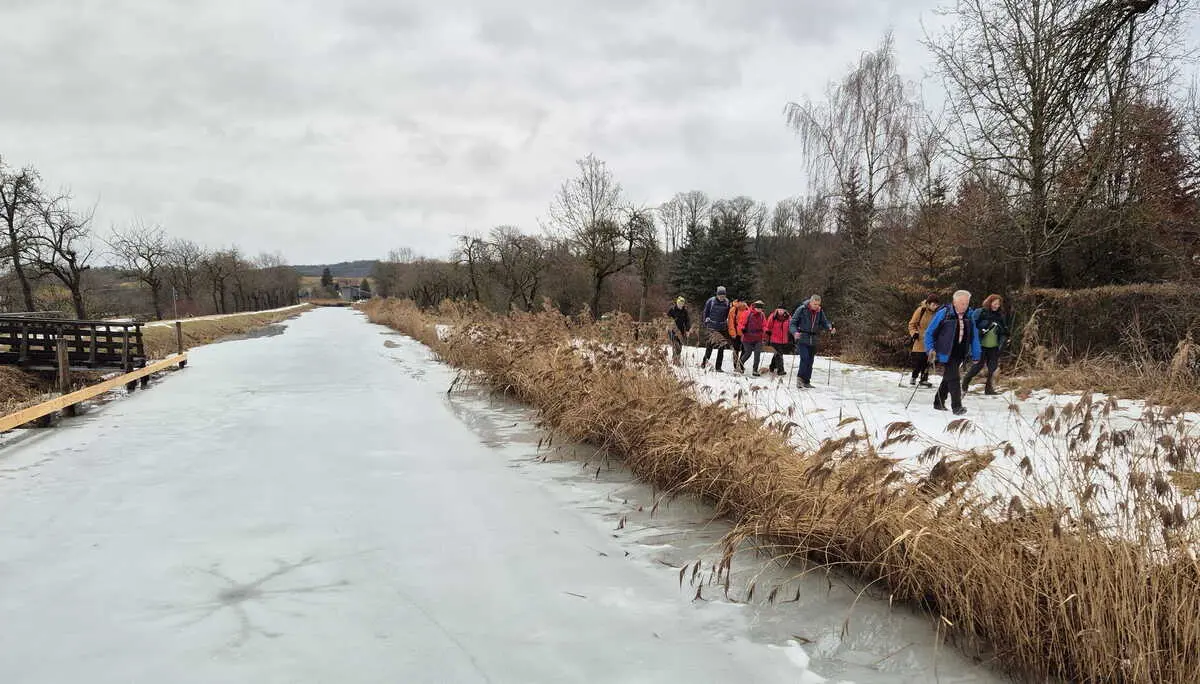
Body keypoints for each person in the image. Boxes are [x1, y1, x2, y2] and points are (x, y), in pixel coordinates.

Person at [924, 290, 982, 415]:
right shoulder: (944, 313)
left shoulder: (970, 315)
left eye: (966, 303)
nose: (964, 306)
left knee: (948, 377)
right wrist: (930, 349)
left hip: (960, 352)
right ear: (954, 302)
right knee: (954, 377)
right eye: (962, 303)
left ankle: (938, 401)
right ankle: (957, 407)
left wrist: (976, 354)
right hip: (945, 351)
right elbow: (929, 333)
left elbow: (974, 337)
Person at [963, 294, 1008, 395]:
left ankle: (989, 389)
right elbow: (972, 326)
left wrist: (1003, 337)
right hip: (981, 345)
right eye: (994, 303)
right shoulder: (980, 312)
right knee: (977, 366)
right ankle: (966, 381)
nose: (996, 306)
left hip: (994, 346)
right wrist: (983, 328)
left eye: (998, 304)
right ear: (989, 302)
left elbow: (1004, 330)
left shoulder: (1000, 315)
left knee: (992, 368)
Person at [789, 294, 835, 389]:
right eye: (815, 304)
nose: (816, 306)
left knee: (810, 360)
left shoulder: (820, 311)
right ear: (810, 302)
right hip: (802, 337)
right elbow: (792, 323)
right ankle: (800, 379)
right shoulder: (802, 309)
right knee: (805, 358)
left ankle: (806, 381)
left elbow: (825, 322)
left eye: (818, 304)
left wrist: (830, 328)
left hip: (813, 339)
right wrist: (795, 332)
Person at [906, 294, 940, 387]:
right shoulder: (921, 311)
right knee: (919, 360)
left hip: (931, 340)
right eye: (933, 305)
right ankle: (914, 376)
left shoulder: (937, 313)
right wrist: (914, 333)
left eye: (937, 305)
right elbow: (911, 324)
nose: (935, 307)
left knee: (928, 360)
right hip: (920, 339)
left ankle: (924, 379)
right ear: (928, 304)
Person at [700, 286, 732, 371]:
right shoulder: (711, 301)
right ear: (717, 295)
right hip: (712, 328)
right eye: (720, 295)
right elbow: (705, 312)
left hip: (722, 328)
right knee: (709, 347)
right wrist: (706, 322)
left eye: (723, 295)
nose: (722, 297)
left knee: (721, 347)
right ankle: (704, 363)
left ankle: (718, 367)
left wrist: (727, 322)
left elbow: (729, 314)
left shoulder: (727, 302)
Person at [738, 300, 767, 376]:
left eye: (761, 308)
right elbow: (741, 323)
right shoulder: (747, 313)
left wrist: (766, 331)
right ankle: (740, 365)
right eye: (758, 308)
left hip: (758, 338)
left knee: (757, 353)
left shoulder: (762, 315)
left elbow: (764, 325)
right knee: (748, 352)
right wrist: (743, 329)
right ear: (754, 307)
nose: (759, 310)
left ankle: (755, 370)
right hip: (747, 337)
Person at [763, 305, 793, 376]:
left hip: (783, 339)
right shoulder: (773, 316)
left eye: (782, 310)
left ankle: (772, 366)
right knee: (779, 354)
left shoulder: (788, 318)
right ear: (777, 309)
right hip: (774, 339)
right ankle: (780, 370)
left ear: (785, 311)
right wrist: (767, 332)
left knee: (777, 354)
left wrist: (792, 334)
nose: (780, 311)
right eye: (779, 310)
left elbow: (791, 326)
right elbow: (768, 326)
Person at [665, 296, 690, 366]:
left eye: (682, 303)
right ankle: (675, 361)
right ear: (677, 303)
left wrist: (687, 330)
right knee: (676, 345)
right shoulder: (672, 309)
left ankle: (677, 359)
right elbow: (667, 318)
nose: (680, 305)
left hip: (681, 331)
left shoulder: (685, 311)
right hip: (672, 330)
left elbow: (687, 321)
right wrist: (668, 325)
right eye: (679, 303)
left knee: (680, 346)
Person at [727, 298, 749, 373]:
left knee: (745, 350)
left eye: (744, 301)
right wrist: (732, 333)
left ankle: (741, 364)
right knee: (736, 350)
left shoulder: (747, 309)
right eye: (741, 301)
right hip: (736, 334)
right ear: (738, 301)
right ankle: (735, 365)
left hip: (744, 334)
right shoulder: (733, 309)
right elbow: (730, 322)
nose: (743, 303)